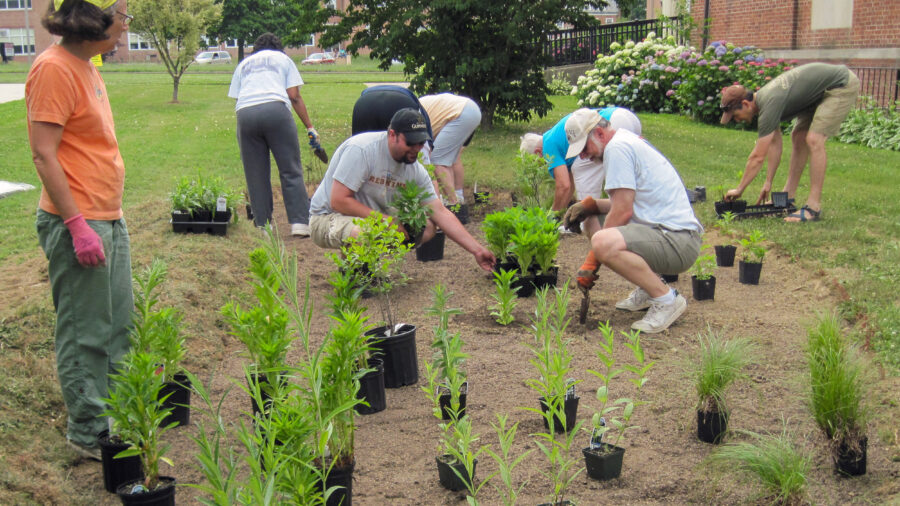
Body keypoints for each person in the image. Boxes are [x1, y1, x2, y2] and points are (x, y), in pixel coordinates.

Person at [26, 0, 134, 461]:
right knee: (85, 330)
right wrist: (76, 226)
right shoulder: (53, 69)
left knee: (118, 327)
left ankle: (115, 414)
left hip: (107, 215)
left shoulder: (86, 64)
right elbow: (43, 154)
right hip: (79, 221)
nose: (127, 28)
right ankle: (88, 431)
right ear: (93, 22)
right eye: (122, 17)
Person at [562, 109, 702, 333]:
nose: (584, 157)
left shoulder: (617, 149)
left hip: (677, 241)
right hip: (668, 234)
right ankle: (648, 288)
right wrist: (591, 206)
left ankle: (666, 300)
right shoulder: (623, 143)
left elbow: (623, 211)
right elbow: (629, 203)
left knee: (603, 242)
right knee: (593, 221)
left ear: (599, 133)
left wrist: (592, 261)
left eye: (584, 149)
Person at [309, 108, 495, 272]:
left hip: (369, 220)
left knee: (427, 227)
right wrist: (387, 221)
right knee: (364, 232)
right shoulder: (362, 149)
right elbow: (338, 200)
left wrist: (477, 250)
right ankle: (355, 274)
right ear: (392, 135)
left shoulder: (415, 169)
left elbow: (440, 212)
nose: (416, 149)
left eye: (420, 143)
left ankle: (368, 263)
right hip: (326, 218)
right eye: (410, 142)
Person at [719, 63, 860, 223]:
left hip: (840, 85)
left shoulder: (769, 102)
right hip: (818, 93)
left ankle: (813, 207)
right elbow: (774, 144)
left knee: (814, 139)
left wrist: (740, 189)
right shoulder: (766, 103)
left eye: (735, 115)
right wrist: (768, 182)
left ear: (745, 104)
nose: (737, 120)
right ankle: (788, 197)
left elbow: (758, 157)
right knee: (799, 136)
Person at [228, 32, 321, 236]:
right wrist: (309, 127)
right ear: (279, 48)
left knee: (256, 174)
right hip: (276, 112)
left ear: (256, 49)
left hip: (245, 114)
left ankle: (263, 226)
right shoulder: (283, 59)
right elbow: (294, 96)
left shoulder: (244, 64)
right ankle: (299, 223)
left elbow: (238, 97)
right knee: (290, 168)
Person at [519, 106, 642, 215]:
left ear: (537, 153)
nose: (540, 166)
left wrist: (552, 216)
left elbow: (563, 185)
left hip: (610, 123)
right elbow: (570, 185)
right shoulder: (553, 137)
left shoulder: (548, 146)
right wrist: (562, 211)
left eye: (535, 162)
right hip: (626, 116)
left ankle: (586, 217)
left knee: (581, 167)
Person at [418, 93, 481, 206]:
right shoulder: (414, 107)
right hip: (468, 110)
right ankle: (456, 199)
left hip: (461, 114)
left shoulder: (410, 115)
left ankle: (453, 203)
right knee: (449, 161)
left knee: (437, 161)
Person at [351, 84, 433, 139]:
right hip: (401, 103)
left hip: (365, 102)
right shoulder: (421, 113)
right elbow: (425, 148)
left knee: (362, 144)